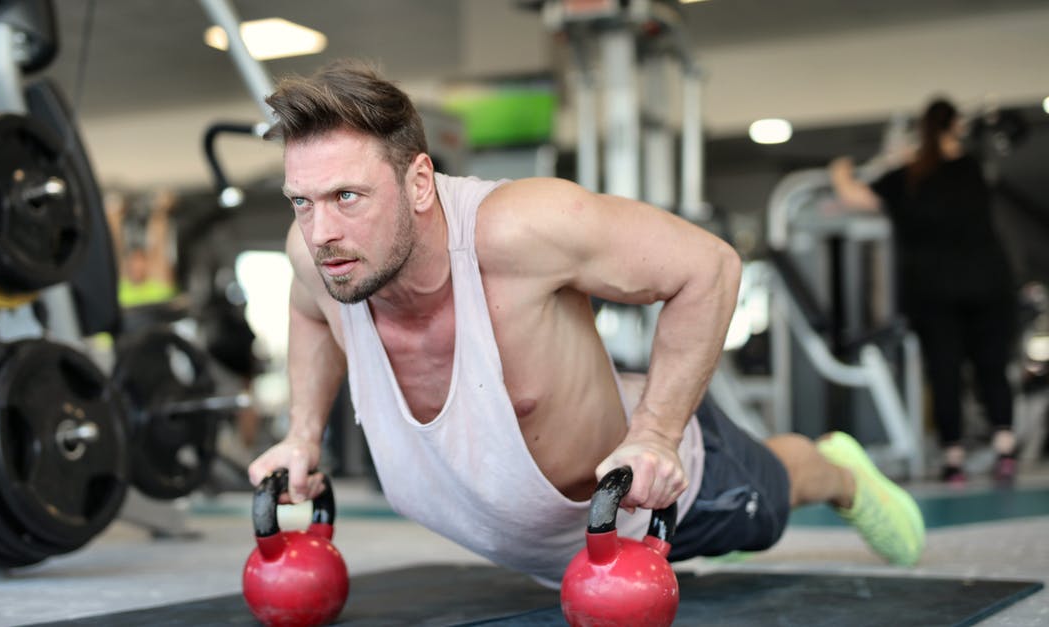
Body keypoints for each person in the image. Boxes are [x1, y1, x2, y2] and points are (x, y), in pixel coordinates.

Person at [247, 60, 925, 585]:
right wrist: (303, 432)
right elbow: (308, 311)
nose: (322, 230)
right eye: (302, 202)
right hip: (549, 553)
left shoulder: (521, 230)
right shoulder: (315, 256)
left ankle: (840, 469)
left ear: (421, 182)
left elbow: (710, 267)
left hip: (648, 498)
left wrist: (657, 437)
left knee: (770, 499)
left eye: (347, 196)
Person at [830, 97, 1019, 484]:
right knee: (991, 368)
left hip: (935, 290)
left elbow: (854, 197)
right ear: (956, 127)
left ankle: (953, 460)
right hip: (987, 283)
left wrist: (840, 172)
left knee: (945, 372)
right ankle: (1005, 450)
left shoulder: (907, 175)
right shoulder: (974, 168)